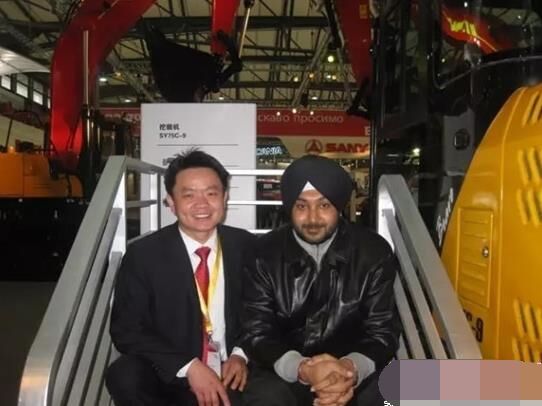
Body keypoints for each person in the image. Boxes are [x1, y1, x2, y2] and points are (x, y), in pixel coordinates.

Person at [242, 155, 400, 406]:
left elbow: (382, 331)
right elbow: (257, 332)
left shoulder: (373, 253)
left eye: (324, 205)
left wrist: (348, 369)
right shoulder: (263, 254)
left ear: (339, 206)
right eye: (301, 206)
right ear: (289, 208)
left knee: (392, 390)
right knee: (265, 396)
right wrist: (303, 368)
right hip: (284, 370)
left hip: (354, 369)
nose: (313, 218)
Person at [106, 149, 255, 406]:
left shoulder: (248, 247)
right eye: (189, 195)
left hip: (231, 369)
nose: (202, 204)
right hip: (171, 370)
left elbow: (264, 313)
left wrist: (241, 354)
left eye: (211, 193)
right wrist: (188, 366)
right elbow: (126, 329)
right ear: (171, 202)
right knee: (124, 375)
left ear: (225, 198)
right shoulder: (143, 255)